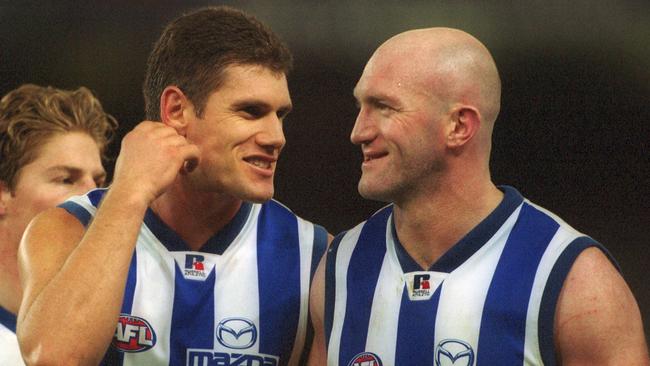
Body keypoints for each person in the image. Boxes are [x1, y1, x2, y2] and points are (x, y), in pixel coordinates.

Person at [309, 27, 649, 365]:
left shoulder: (573, 281)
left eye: (383, 107)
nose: (359, 132)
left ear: (459, 126)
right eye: (361, 106)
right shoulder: (341, 267)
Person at [17, 6, 329, 366]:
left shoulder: (314, 257)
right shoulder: (66, 229)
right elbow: (55, 358)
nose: (276, 137)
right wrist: (130, 191)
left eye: (280, 115)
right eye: (250, 111)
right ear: (177, 110)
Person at [0, 84, 117, 365]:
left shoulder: (127, 329)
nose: (94, 197)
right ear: (3, 196)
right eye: (66, 179)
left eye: (99, 182)